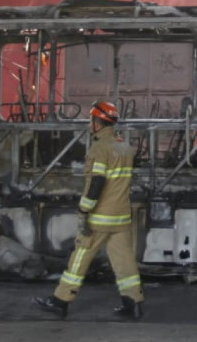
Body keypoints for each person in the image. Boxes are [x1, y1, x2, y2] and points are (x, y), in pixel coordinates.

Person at [34, 101, 144, 320]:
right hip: (121, 217)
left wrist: (84, 211)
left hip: (100, 218)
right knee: (124, 261)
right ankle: (134, 303)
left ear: (97, 122)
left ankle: (60, 301)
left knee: (80, 257)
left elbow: (96, 184)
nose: (89, 124)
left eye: (91, 120)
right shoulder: (124, 147)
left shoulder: (99, 149)